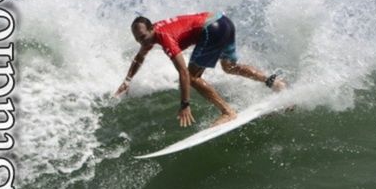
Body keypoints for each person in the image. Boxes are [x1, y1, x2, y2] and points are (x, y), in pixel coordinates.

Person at [114, 12, 285, 127]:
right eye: (137, 39)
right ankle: (275, 83)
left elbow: (183, 73)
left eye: (143, 37)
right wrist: (127, 80)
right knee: (230, 67)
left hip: (212, 29)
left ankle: (228, 112)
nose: (141, 42)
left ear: (151, 29)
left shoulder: (164, 38)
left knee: (192, 77)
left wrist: (185, 104)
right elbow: (140, 56)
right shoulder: (150, 36)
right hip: (223, 22)